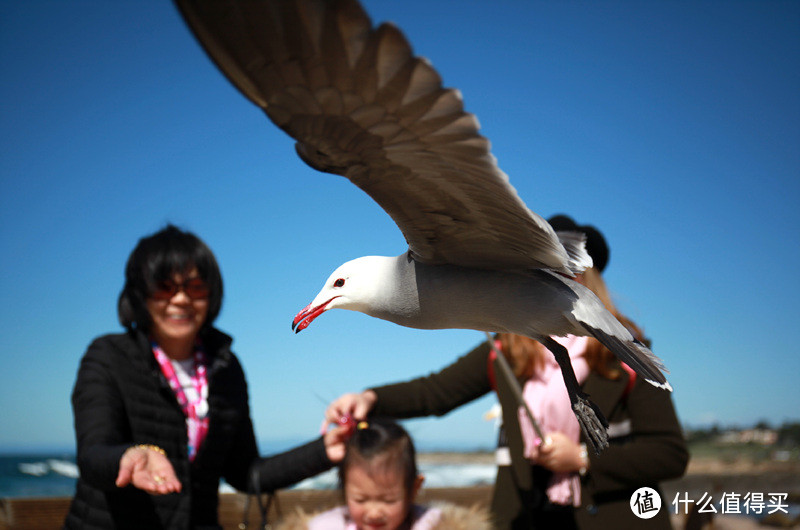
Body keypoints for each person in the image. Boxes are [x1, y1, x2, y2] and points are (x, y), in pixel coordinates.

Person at [325, 215, 689, 529]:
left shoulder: (621, 358)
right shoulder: (508, 348)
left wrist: (581, 459)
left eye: (555, 265)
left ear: (587, 277)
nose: (539, 272)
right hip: (529, 518)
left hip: (612, 519)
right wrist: (369, 398)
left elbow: (670, 453)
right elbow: (435, 391)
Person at [64, 224, 348, 529]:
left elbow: (246, 471)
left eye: (196, 287)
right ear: (139, 294)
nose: (181, 299)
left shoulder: (225, 367)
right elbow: (93, 454)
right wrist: (129, 457)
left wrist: (325, 450)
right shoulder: (108, 356)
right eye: (164, 287)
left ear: (211, 294)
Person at [276, 417, 491, 530]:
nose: (374, 512)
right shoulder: (325, 527)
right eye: (361, 499)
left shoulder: (434, 526)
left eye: (388, 500)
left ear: (414, 488)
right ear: (343, 486)